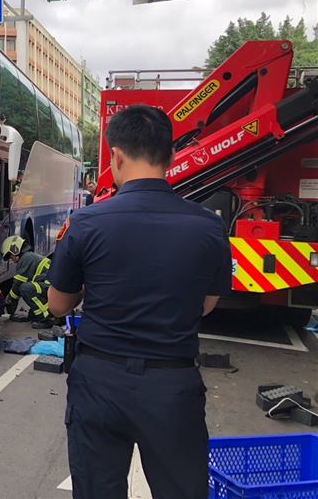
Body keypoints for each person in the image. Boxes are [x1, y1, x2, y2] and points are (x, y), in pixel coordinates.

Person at [46, 105, 232, 499]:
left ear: (116, 155)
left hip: (99, 381)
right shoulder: (208, 226)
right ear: (172, 156)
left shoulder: (88, 222)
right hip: (172, 385)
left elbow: (58, 305)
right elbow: (208, 304)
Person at [1, 235, 55, 329]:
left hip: (52, 288)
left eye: (10, 256)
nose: (12, 260)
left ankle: (47, 318)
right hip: (52, 288)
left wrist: (10, 300)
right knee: (33, 315)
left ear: (15, 250)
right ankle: (49, 313)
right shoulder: (29, 256)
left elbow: (17, 285)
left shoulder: (25, 259)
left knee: (26, 288)